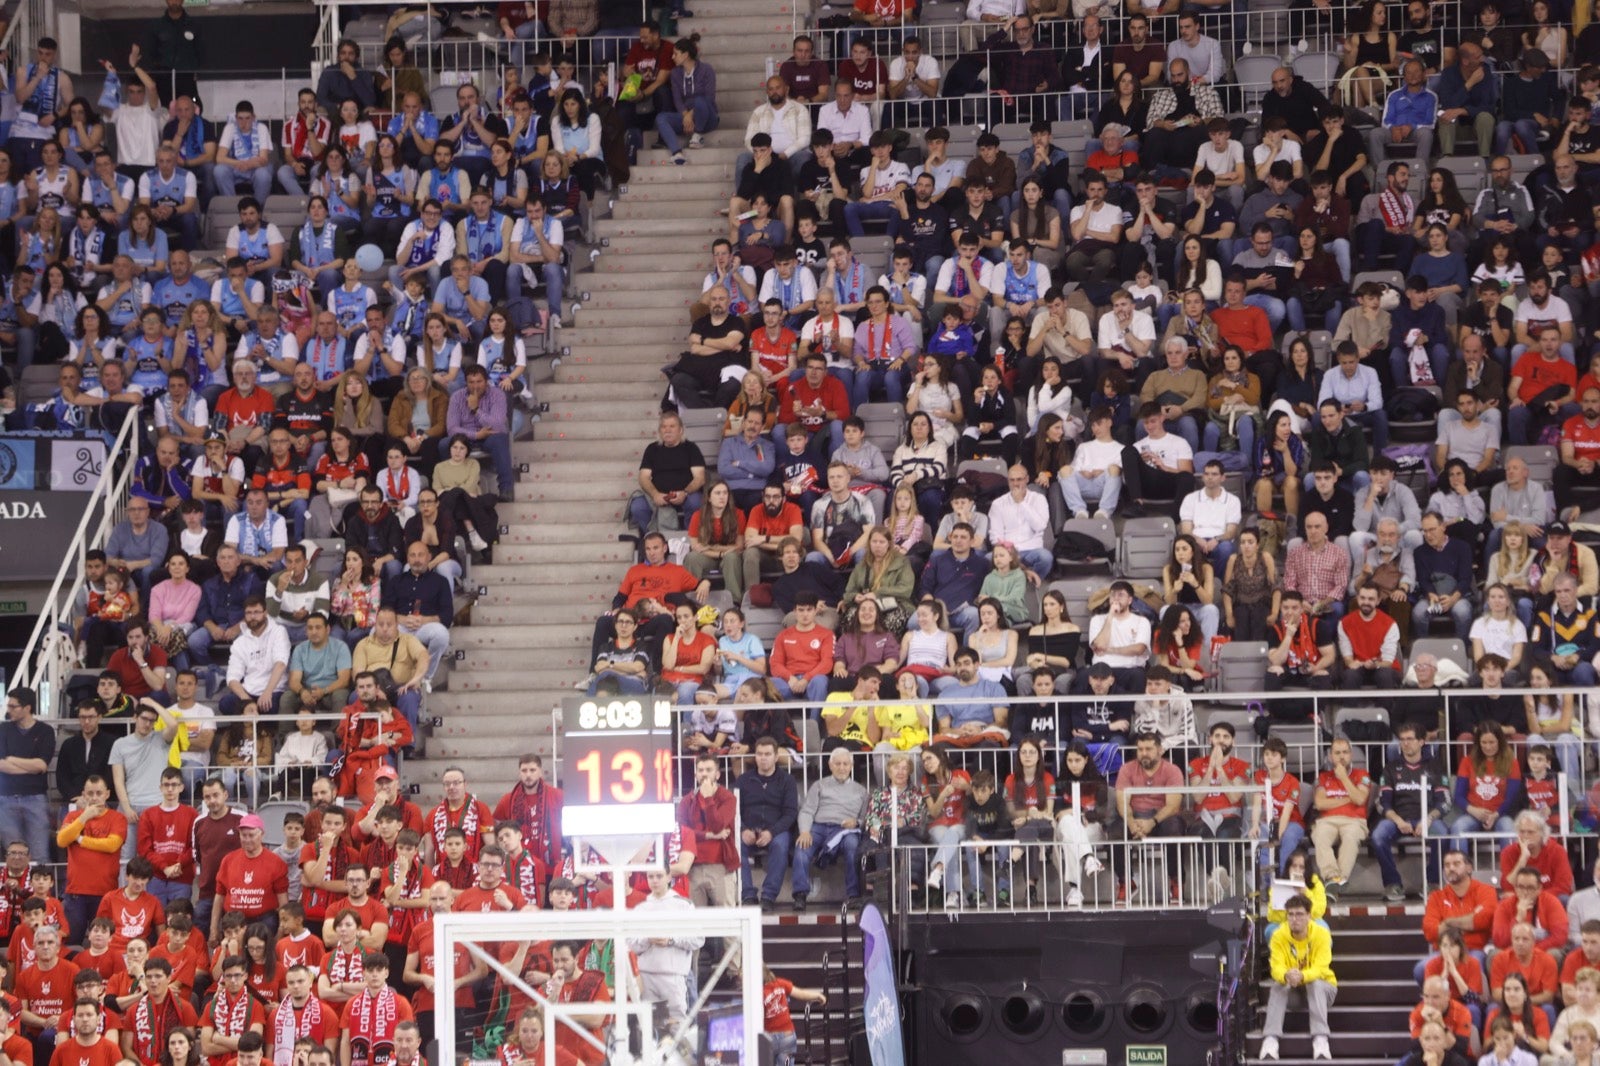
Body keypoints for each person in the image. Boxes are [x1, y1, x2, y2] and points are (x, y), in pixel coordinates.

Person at [1374, 723, 1454, 902]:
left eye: (1410, 739)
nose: (1405, 743)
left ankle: (1433, 882)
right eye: (1402, 740)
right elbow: (1382, 802)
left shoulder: (1435, 767)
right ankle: (1393, 884)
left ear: (1421, 742)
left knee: (1443, 833)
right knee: (1378, 835)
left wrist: (1428, 819)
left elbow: (1445, 802)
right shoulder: (1391, 768)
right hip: (1399, 819)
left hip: (1427, 818)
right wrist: (1397, 820)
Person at [1259, 893, 1335, 1061]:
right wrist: (1286, 975)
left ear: (1309, 916)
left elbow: (1321, 968)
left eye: (1299, 914)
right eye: (1291, 914)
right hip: (1293, 992)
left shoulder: (1322, 934)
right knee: (1278, 985)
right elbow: (1275, 967)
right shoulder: (1279, 936)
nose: (1295, 919)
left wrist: (1302, 975)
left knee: (1315, 983)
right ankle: (1271, 1039)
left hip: (1324, 992)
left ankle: (1320, 1039)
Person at [735, 737, 798, 911]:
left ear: (776, 757)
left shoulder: (787, 781)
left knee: (781, 845)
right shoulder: (743, 780)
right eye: (759, 754)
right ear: (755, 757)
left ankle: (768, 897)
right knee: (735, 846)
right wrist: (743, 829)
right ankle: (747, 894)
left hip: (776, 830)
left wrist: (771, 831)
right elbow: (734, 810)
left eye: (768, 754)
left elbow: (791, 813)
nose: (763, 758)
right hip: (748, 829)